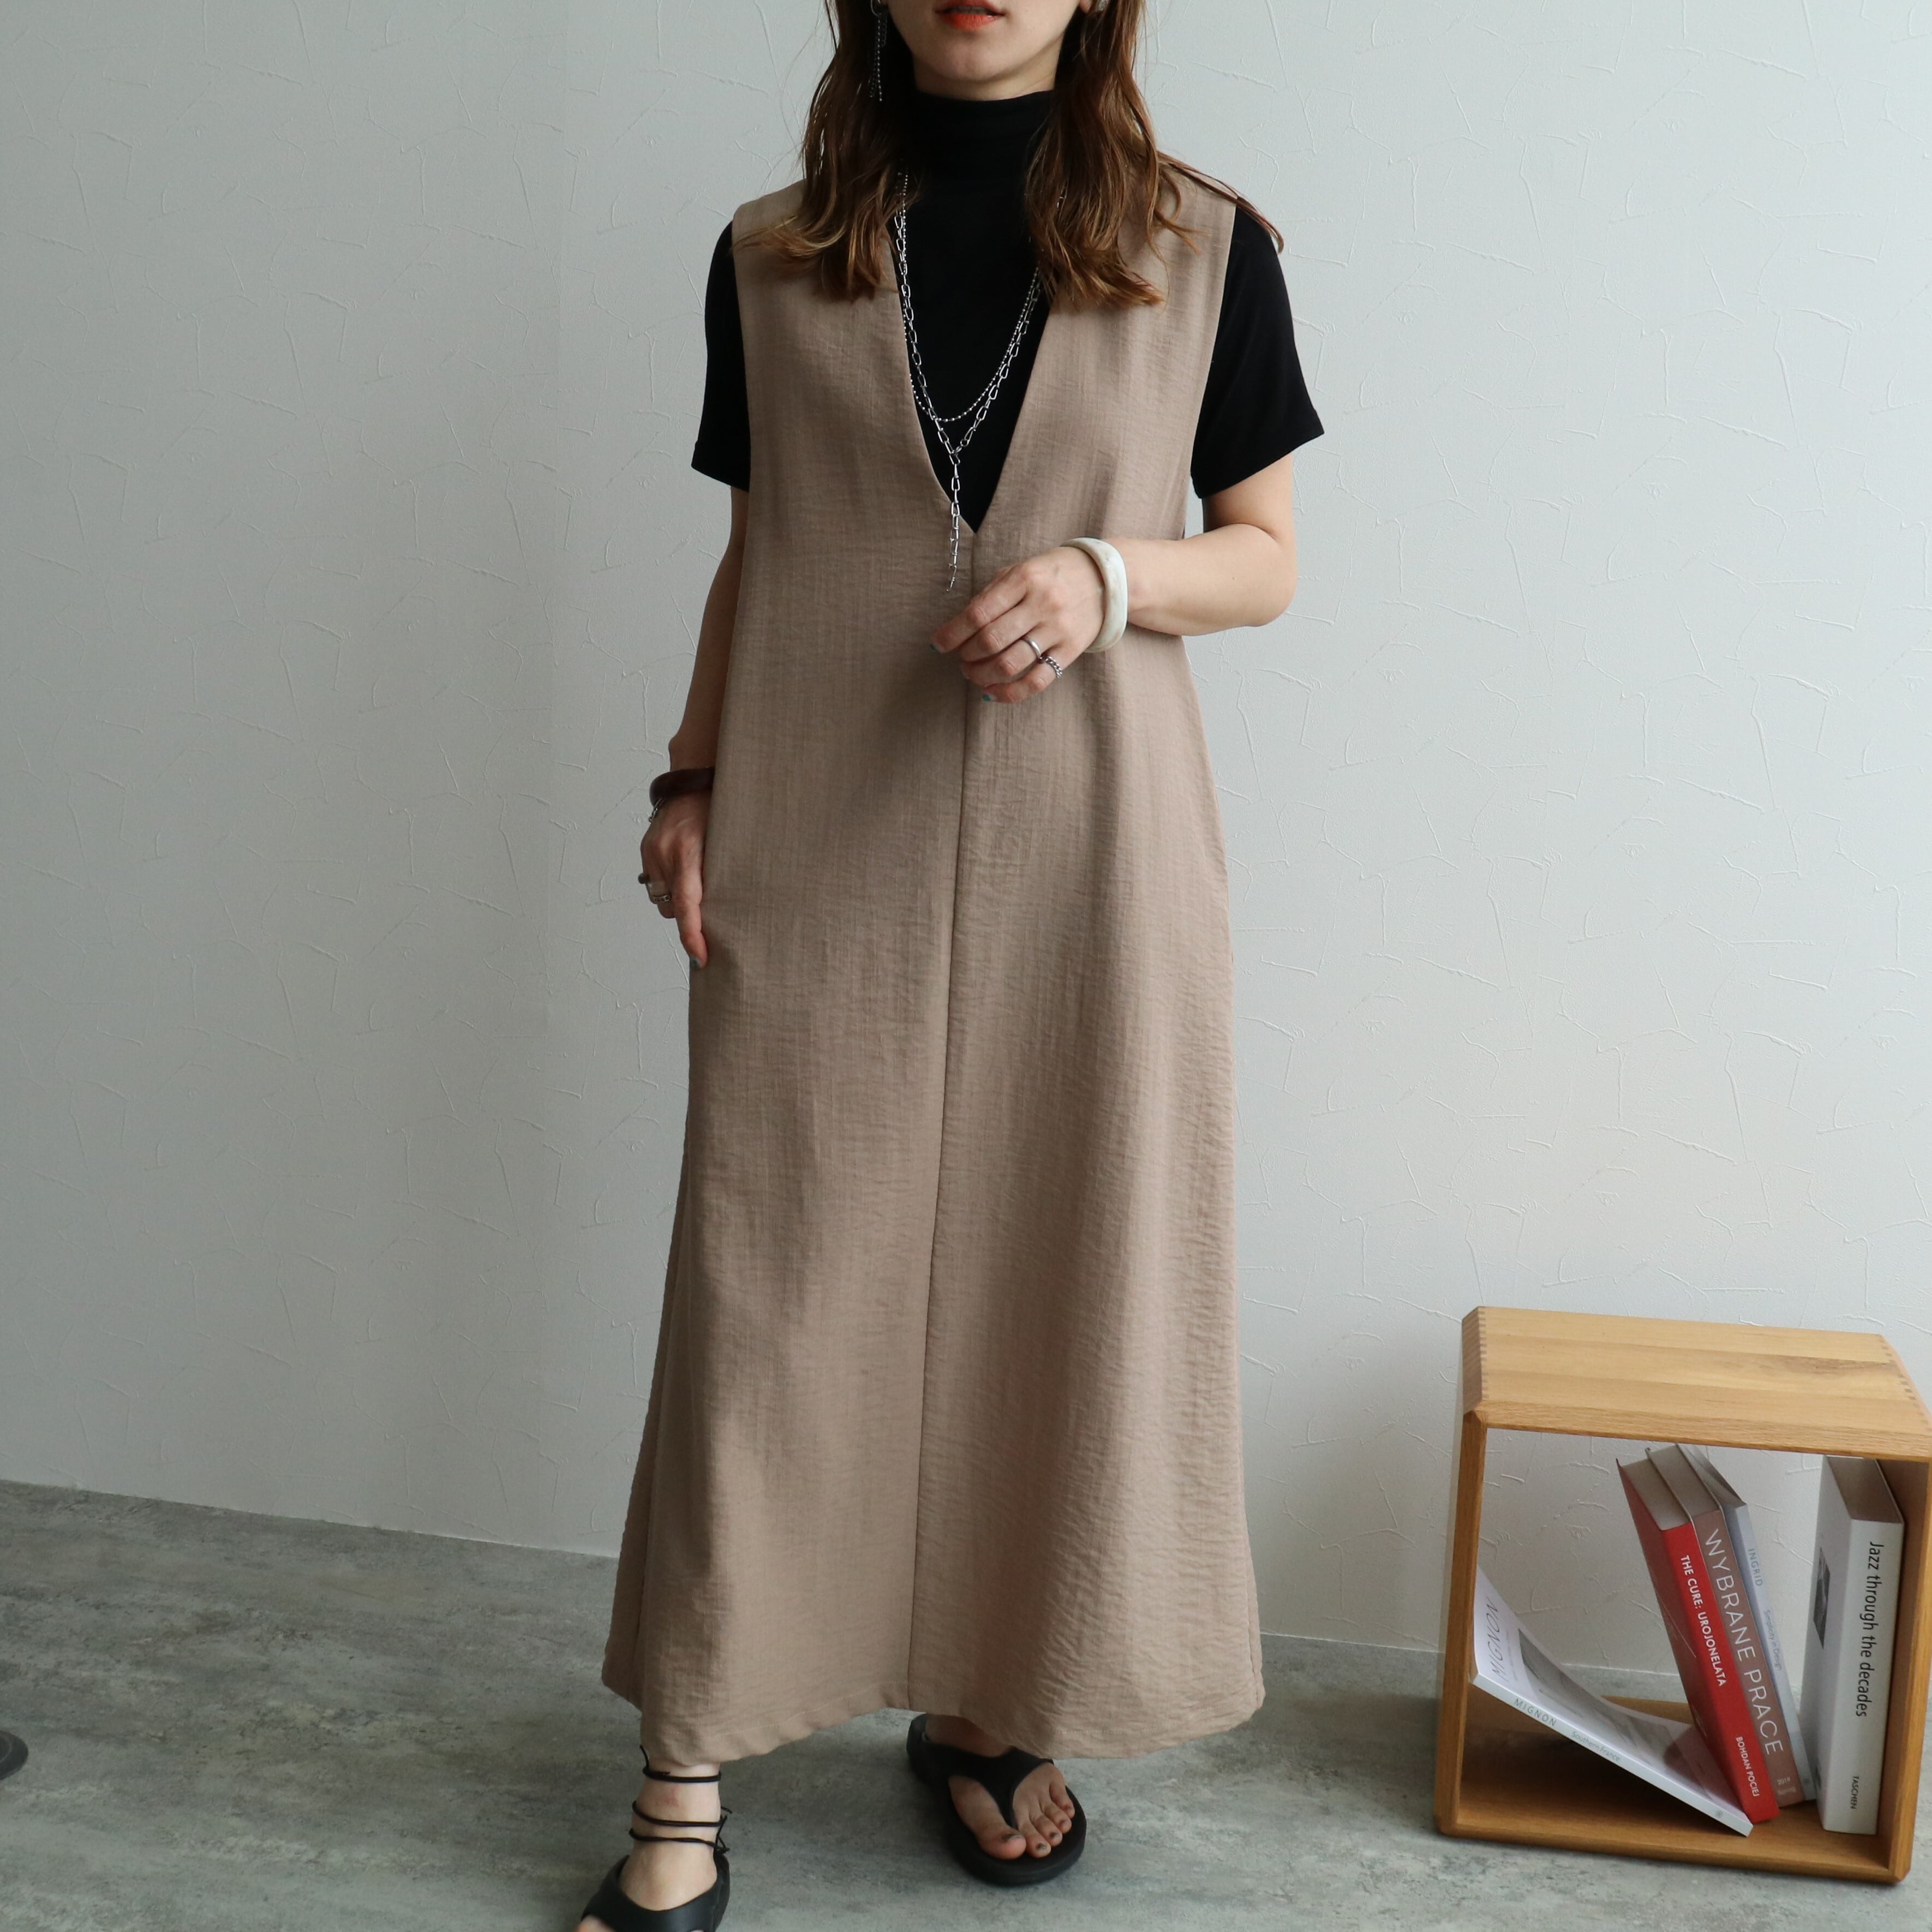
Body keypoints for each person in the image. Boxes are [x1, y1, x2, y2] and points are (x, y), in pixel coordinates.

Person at [578, 2, 1322, 1926]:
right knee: (767, 1283)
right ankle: (685, 1773)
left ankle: (990, 1707)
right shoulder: (772, 256)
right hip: (818, 822)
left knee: (1055, 1257)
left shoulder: (1208, 247)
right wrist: (692, 774)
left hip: (1098, 849)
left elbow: (1264, 554)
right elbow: (761, 548)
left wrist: (1108, 575)